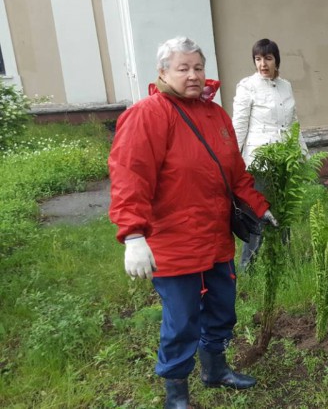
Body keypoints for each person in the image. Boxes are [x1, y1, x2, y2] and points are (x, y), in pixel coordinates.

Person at [108, 36, 278, 408]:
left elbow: (235, 173)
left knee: (222, 308)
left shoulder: (215, 115)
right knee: (182, 320)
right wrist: (133, 235)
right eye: (183, 68)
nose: (193, 75)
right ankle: (177, 395)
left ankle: (215, 370)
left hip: (215, 238)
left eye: (198, 67)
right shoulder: (147, 115)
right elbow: (130, 177)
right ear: (162, 72)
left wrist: (259, 206)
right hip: (174, 242)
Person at [232, 38, 306, 269]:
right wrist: (232, 161)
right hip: (260, 162)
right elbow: (239, 126)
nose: (263, 64)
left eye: (268, 58)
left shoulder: (285, 86)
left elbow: (293, 122)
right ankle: (248, 266)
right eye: (258, 59)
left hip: (284, 159)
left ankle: (283, 261)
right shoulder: (247, 86)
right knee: (258, 213)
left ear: (276, 60)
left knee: (283, 211)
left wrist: (302, 153)